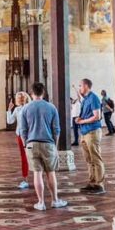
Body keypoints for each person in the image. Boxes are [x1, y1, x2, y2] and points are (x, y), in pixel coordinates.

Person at [16, 82, 68, 211]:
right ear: (43, 93)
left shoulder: (25, 108)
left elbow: (23, 130)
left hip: (31, 144)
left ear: (31, 93)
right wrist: (54, 146)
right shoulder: (51, 107)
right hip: (48, 143)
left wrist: (25, 145)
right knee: (51, 173)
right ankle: (55, 200)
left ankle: (41, 202)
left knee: (37, 174)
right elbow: (57, 129)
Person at [76, 78, 106, 194]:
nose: (79, 88)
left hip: (92, 131)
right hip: (84, 132)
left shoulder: (93, 98)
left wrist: (82, 121)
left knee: (96, 158)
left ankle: (99, 184)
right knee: (89, 159)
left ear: (86, 86)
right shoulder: (85, 99)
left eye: (80, 86)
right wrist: (80, 119)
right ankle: (92, 182)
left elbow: (97, 116)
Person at [6, 92, 31, 190]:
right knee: (24, 157)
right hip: (20, 135)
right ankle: (25, 179)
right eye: (18, 98)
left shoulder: (30, 107)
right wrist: (9, 109)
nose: (19, 99)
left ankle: (39, 178)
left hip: (30, 135)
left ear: (25, 98)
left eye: (21, 98)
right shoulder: (17, 109)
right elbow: (10, 121)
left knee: (34, 157)